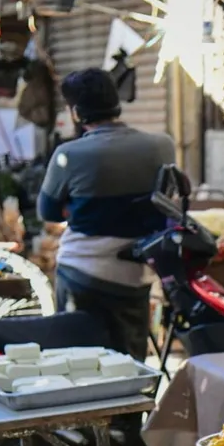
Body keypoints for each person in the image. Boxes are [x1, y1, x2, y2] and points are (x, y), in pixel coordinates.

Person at [38, 69, 174, 360]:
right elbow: (165, 200)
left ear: (75, 111)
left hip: (81, 273)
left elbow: (47, 211)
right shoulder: (162, 146)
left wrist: (82, 207)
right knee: (129, 362)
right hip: (135, 275)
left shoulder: (70, 154)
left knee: (77, 363)